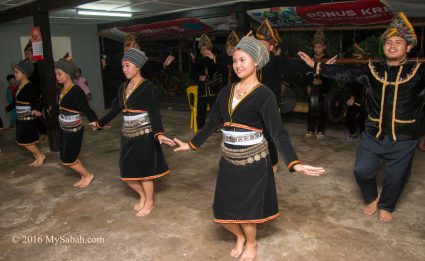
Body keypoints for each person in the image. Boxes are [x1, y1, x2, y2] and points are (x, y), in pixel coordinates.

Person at [174, 36, 325, 261]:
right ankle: (240, 237)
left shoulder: (265, 95)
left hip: (253, 162)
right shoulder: (227, 91)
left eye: (243, 59)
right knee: (222, 210)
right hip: (228, 160)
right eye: (235, 60)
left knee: (247, 211)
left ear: (256, 62)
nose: (238, 65)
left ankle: (251, 243)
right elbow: (213, 122)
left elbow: (278, 133)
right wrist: (191, 144)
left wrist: (295, 163)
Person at [298, 12, 425, 222]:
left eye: (398, 42)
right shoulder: (372, 69)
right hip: (372, 135)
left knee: (396, 177)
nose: (392, 46)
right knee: (361, 171)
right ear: (383, 47)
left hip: (404, 138)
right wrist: (316, 66)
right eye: (388, 42)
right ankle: (372, 197)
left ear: (408, 47)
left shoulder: (419, 72)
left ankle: (386, 205)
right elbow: (345, 73)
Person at [95, 48, 175, 216]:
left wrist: (159, 133)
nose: (124, 69)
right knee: (127, 172)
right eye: (123, 66)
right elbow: (115, 108)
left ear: (137, 66)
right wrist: (100, 123)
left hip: (144, 135)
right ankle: (143, 196)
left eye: (128, 65)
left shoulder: (148, 87)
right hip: (127, 134)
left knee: (145, 173)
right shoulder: (123, 86)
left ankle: (149, 202)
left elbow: (154, 113)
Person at [55, 57, 98, 188]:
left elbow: (86, 108)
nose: (57, 77)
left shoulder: (76, 90)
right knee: (65, 155)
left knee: (68, 158)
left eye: (59, 74)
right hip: (64, 128)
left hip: (74, 130)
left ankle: (87, 175)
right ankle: (83, 176)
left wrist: (94, 121)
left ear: (68, 74)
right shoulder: (62, 89)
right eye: (56, 74)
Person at [5, 61, 45, 166]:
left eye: (17, 72)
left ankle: (40, 155)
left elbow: (34, 100)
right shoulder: (19, 86)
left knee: (26, 141)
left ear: (25, 73)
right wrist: (8, 108)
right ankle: (37, 157)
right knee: (24, 141)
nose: (15, 74)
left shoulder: (29, 86)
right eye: (15, 72)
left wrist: (35, 109)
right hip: (20, 118)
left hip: (27, 118)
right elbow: (16, 101)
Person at [305, 28, 333, 139]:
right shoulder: (309, 59)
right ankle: (310, 129)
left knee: (322, 109)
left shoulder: (328, 59)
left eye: (319, 47)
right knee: (311, 108)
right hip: (312, 88)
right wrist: (308, 85)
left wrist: (322, 82)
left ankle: (320, 130)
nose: (317, 49)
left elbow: (332, 76)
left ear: (324, 47)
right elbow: (306, 73)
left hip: (323, 89)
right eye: (315, 47)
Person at [190, 33, 219, 130]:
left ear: (210, 49)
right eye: (202, 49)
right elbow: (192, 74)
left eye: (206, 49)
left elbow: (219, 71)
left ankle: (215, 127)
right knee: (200, 110)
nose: (204, 51)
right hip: (202, 90)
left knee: (215, 110)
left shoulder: (215, 60)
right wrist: (199, 77)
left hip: (213, 90)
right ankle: (201, 128)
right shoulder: (198, 61)